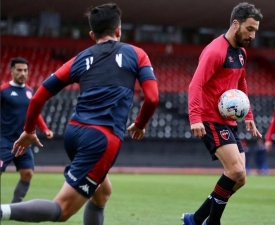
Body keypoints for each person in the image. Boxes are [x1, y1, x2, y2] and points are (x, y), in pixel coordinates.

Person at [1, 3, 159, 224]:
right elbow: (152, 98)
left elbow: (37, 97)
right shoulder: (136, 54)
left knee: (102, 193)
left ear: (92, 34)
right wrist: (141, 124)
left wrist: (29, 130)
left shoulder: (80, 59)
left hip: (74, 133)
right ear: (119, 30)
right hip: (101, 138)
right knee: (62, 210)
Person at [182, 3, 263, 225]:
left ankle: (196, 219)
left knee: (240, 178)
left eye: (255, 30)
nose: (252, 35)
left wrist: (248, 116)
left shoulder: (241, 53)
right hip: (210, 118)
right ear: (235, 24)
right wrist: (195, 117)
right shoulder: (215, 51)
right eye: (249, 29)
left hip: (229, 121)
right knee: (235, 169)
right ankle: (211, 222)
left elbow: (241, 82)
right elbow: (195, 85)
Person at [0, 57, 54, 203]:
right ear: (11, 71)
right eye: (19, 70)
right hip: (4, 140)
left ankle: (14, 206)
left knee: (28, 173)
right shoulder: (3, 91)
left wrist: (45, 128)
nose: (23, 73)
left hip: (23, 140)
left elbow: (35, 114)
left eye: (25, 70)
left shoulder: (30, 92)